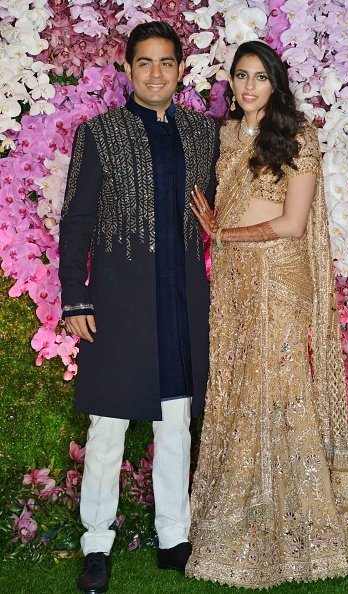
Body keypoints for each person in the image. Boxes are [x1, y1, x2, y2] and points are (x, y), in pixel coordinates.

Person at [185, 40, 348, 589]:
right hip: (233, 280)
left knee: (271, 387)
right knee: (235, 388)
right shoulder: (228, 134)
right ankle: (239, 518)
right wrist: (219, 231)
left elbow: (292, 224)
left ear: (275, 82)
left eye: (260, 76)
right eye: (240, 76)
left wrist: (223, 233)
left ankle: (299, 527)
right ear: (230, 82)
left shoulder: (299, 136)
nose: (249, 86)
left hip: (278, 279)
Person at [58, 21, 219, 594]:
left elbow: (223, 205)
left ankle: (173, 536)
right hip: (120, 300)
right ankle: (96, 544)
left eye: (166, 62)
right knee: (109, 426)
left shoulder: (205, 134)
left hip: (181, 299)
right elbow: (76, 220)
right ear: (127, 68)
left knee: (175, 422)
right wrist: (74, 294)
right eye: (144, 62)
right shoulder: (98, 133)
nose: (156, 73)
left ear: (181, 69)